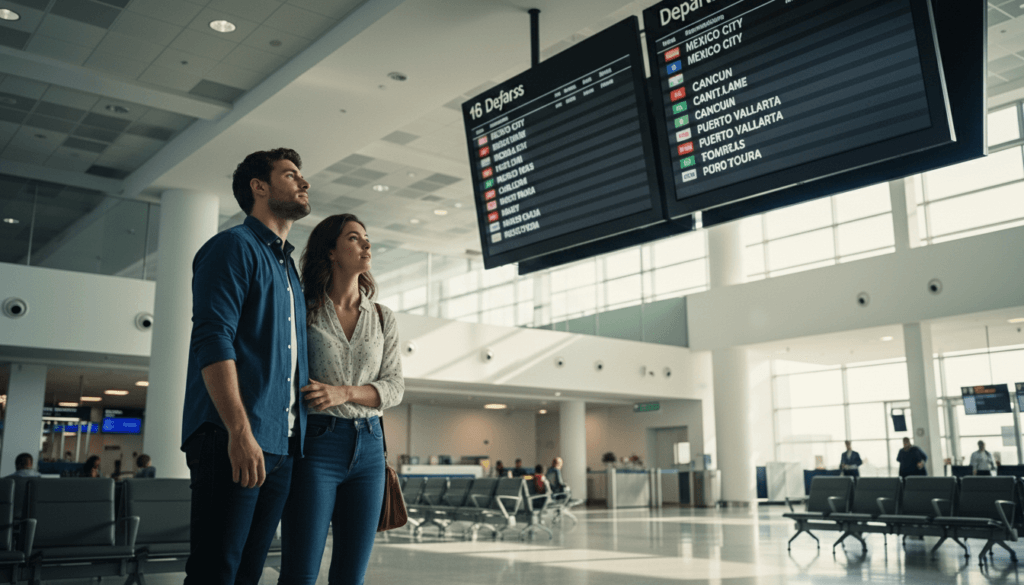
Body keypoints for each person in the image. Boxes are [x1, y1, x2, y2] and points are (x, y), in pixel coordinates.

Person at [180, 148, 312, 585]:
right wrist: (239, 430)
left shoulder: (288, 269)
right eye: (291, 175)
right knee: (216, 571)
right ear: (259, 187)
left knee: (248, 573)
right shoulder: (232, 247)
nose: (303, 182)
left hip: (279, 445)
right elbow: (212, 338)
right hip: (230, 436)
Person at [278, 213, 404, 585]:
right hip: (317, 443)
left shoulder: (382, 317)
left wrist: (343, 393)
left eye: (366, 238)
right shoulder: (303, 309)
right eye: (354, 238)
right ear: (330, 251)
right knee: (300, 571)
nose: (366, 244)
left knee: (351, 575)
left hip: (370, 447)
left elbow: (394, 386)